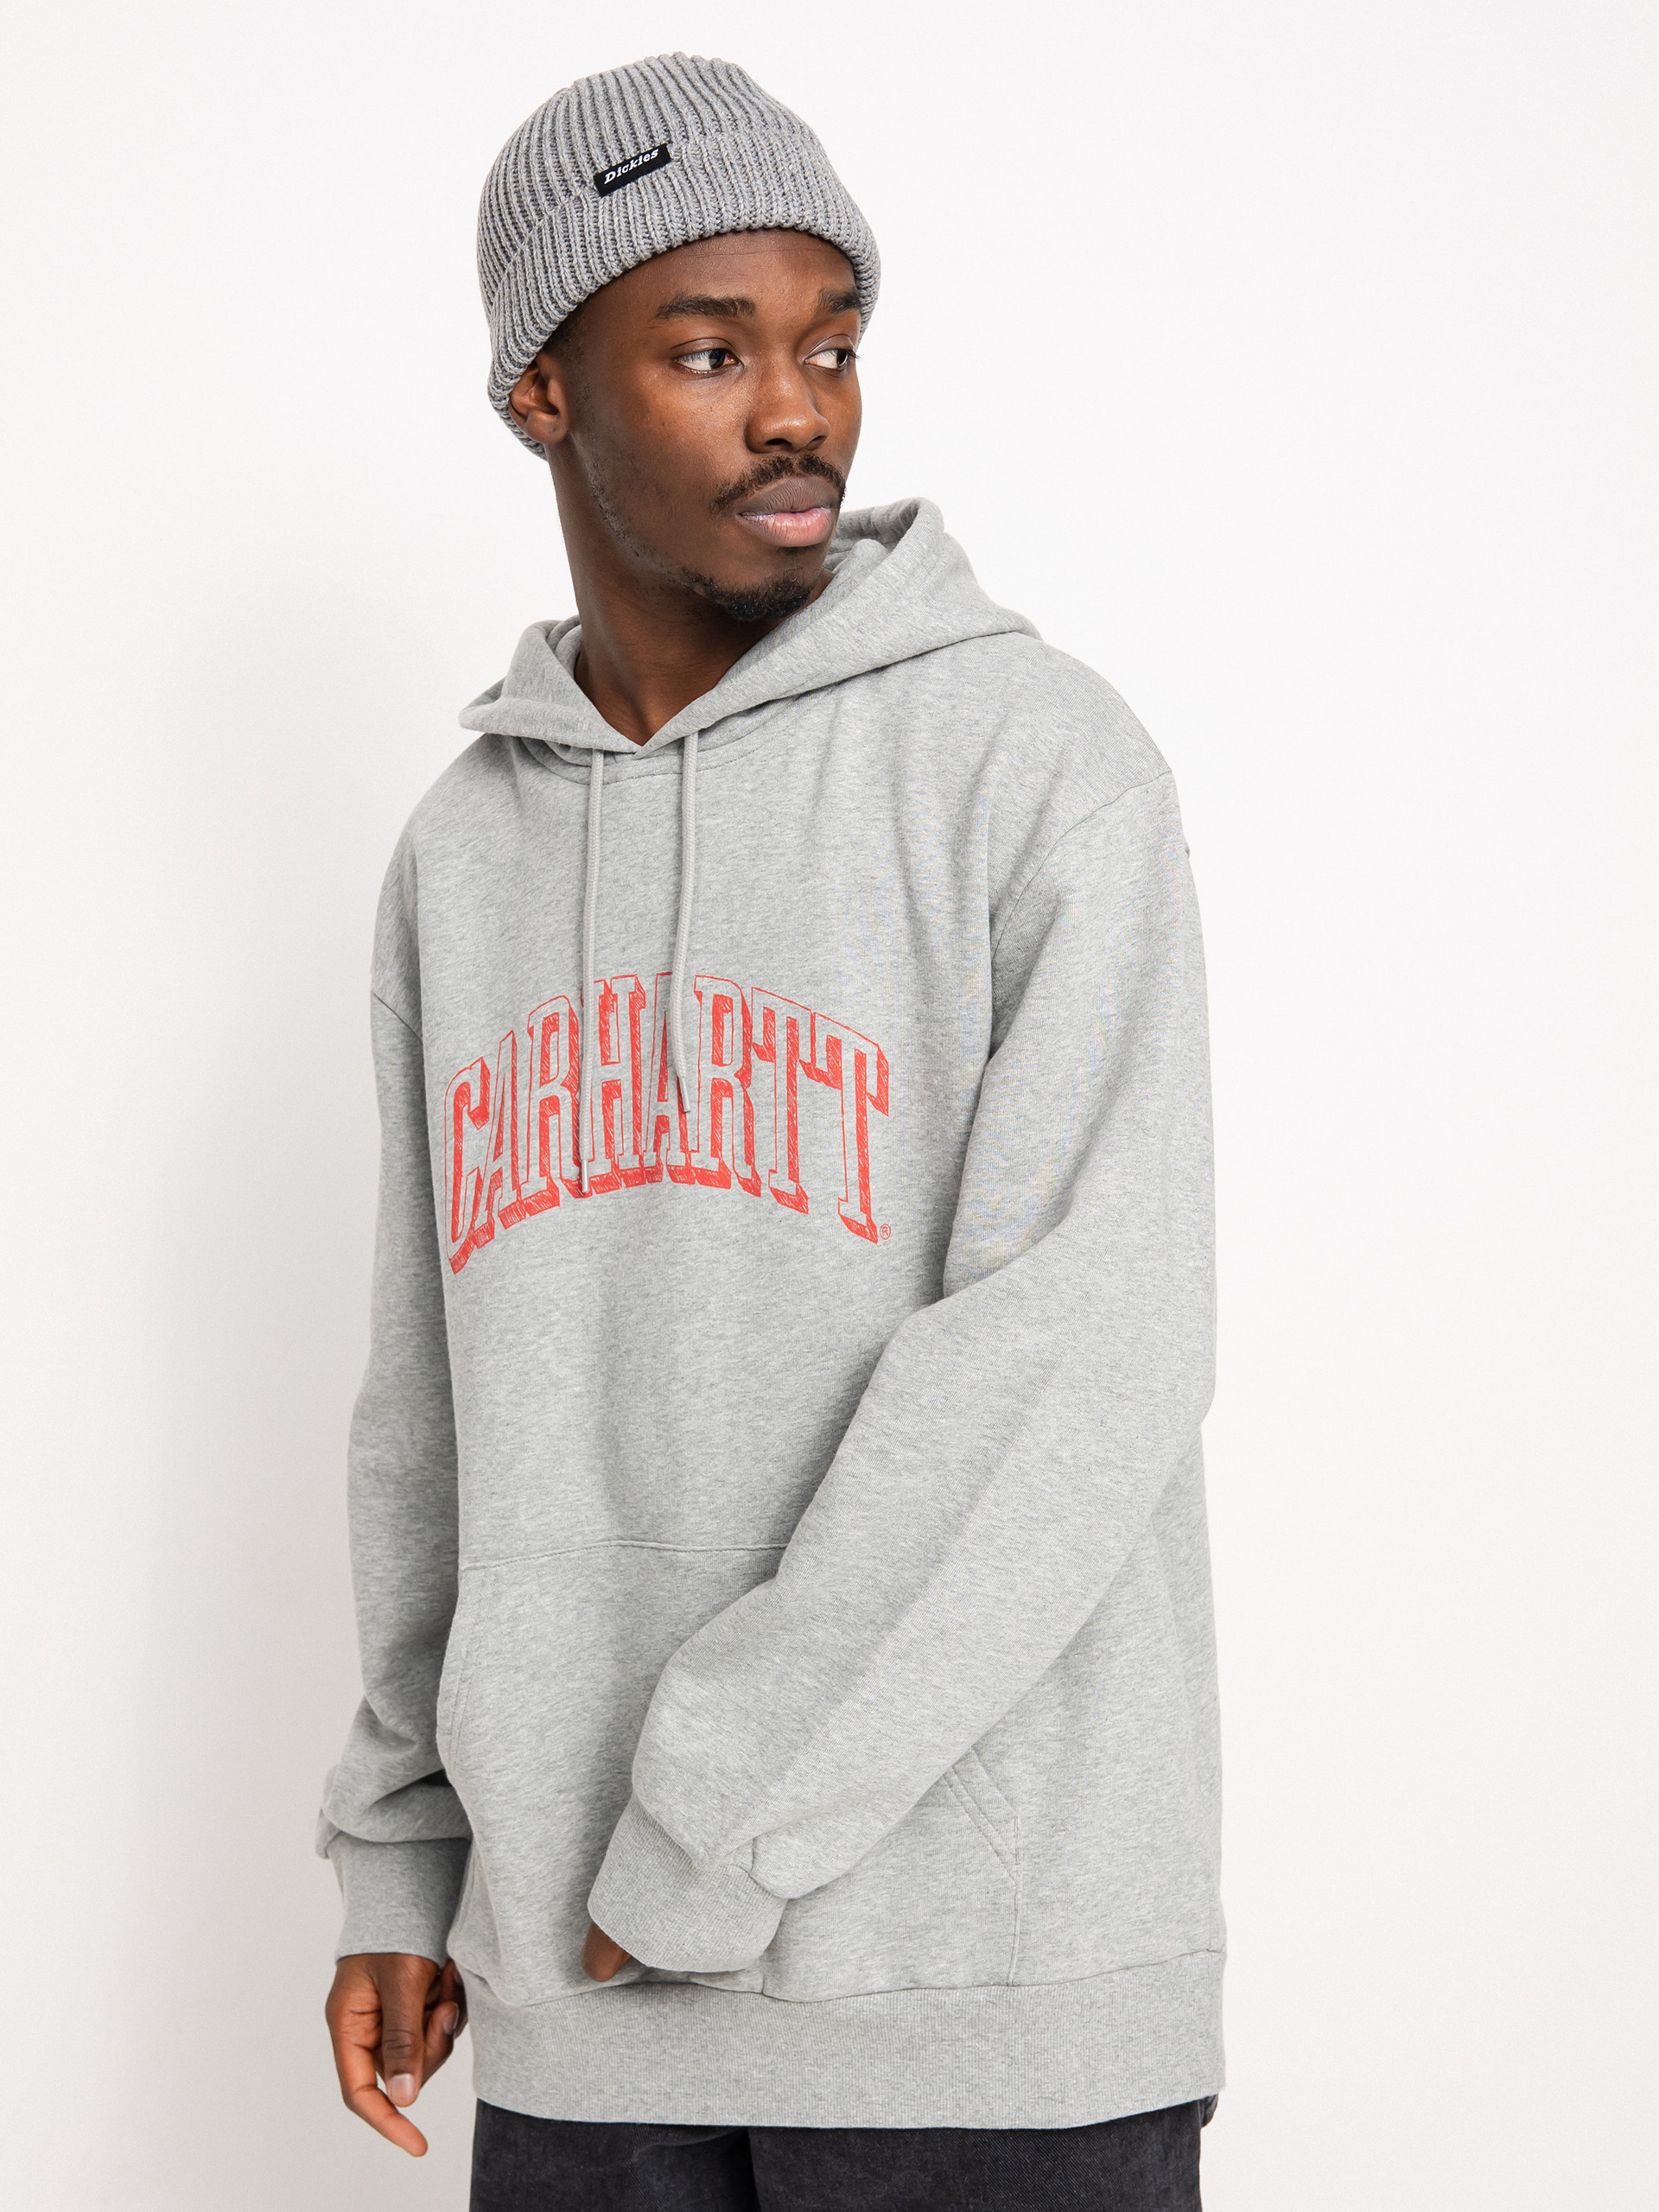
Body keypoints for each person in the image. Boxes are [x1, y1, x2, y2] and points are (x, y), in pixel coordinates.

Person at [318, 51, 1224, 2211]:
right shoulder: (465, 853)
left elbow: (1079, 1358)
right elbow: (427, 1400)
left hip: (989, 1997)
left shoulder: (1036, 766)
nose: (799, 411)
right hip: (580, 1997)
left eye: (831, 344)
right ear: (544, 392)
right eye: (711, 351)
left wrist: (707, 1824)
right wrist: (402, 1844)